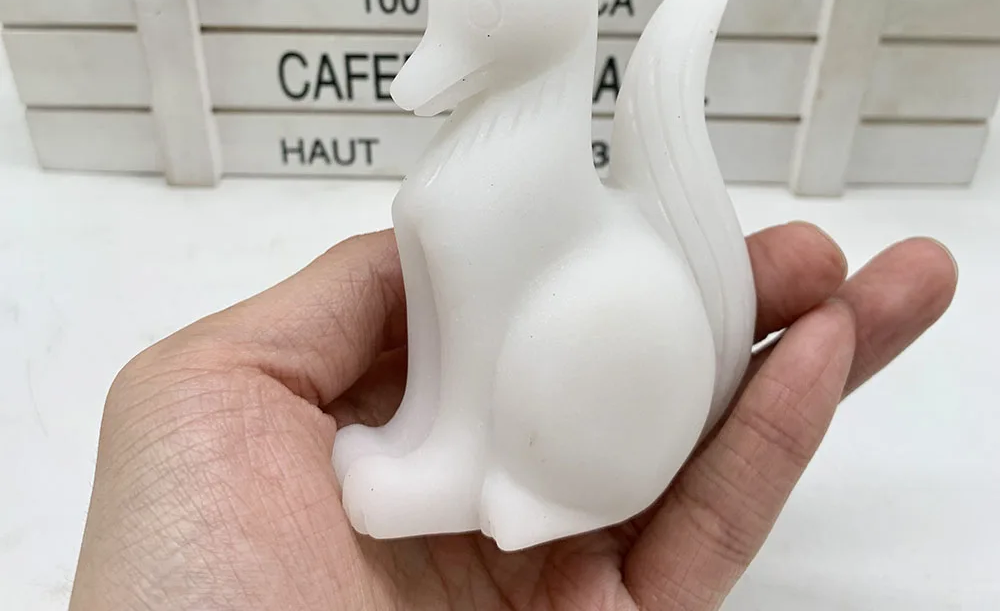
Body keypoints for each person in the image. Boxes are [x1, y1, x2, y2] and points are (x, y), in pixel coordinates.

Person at [68, 224, 956, 611]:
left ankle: (503, 482)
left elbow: (481, 329)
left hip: (593, 425)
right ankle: (434, 457)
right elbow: (453, 339)